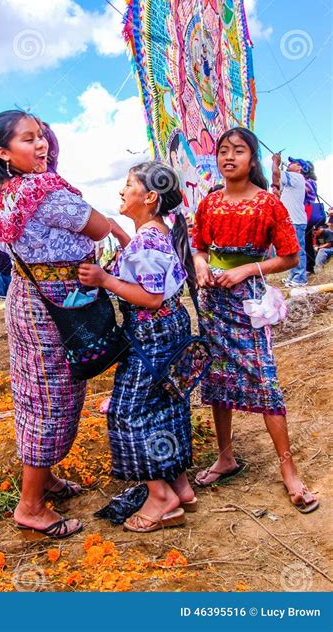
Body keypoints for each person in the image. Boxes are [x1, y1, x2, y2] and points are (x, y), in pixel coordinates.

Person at [0, 110, 110, 539]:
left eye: (42, 137)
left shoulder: (3, 191)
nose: (40, 146)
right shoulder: (44, 193)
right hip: (50, 305)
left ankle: (46, 479)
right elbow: (97, 226)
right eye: (27, 140)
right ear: (3, 152)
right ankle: (31, 506)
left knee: (40, 390)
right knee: (50, 396)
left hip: (33, 298)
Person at [193, 128, 319, 513]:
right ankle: (226, 456)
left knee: (264, 379)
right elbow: (198, 245)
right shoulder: (209, 203)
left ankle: (289, 469)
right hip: (213, 301)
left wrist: (248, 269)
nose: (229, 157)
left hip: (248, 301)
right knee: (218, 379)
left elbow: (290, 257)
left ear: (253, 160)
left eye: (239, 151)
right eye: (223, 151)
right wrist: (200, 264)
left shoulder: (268, 204)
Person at [79, 162, 197, 533]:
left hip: (152, 334)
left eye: (128, 185)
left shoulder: (147, 240)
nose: (121, 191)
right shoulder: (155, 233)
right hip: (170, 328)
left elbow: (150, 297)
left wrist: (104, 278)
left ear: (149, 197)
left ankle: (161, 496)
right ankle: (180, 484)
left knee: (127, 412)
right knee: (165, 404)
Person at [271, 154, 308, 287]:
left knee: (298, 250)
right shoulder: (292, 181)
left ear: (299, 167)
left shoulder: (297, 177)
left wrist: (275, 161)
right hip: (292, 220)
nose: (289, 164)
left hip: (296, 220)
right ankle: (293, 276)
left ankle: (300, 278)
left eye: (292, 163)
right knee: (292, 250)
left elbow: (275, 172)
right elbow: (276, 178)